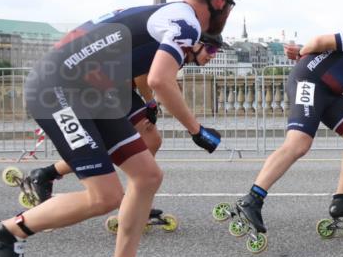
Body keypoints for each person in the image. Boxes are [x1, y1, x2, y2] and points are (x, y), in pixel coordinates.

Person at [0, 0, 241, 257]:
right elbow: (160, 80)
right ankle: (4, 233)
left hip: (93, 91)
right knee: (104, 197)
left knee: (147, 175)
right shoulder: (185, 22)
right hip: (59, 88)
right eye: (231, 5)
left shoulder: (168, 14)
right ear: (220, 1)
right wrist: (196, 130)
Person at [218, 3, 343, 249]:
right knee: (299, 144)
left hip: (329, 91)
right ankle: (252, 200)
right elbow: (321, 41)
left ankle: (341, 201)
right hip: (309, 81)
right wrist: (303, 50)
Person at [12, 33, 226, 234]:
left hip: (116, 88)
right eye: (211, 48)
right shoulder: (176, 45)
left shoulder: (181, 51)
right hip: (108, 88)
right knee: (147, 140)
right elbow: (145, 75)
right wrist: (151, 103)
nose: (213, 55)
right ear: (195, 43)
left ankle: (47, 173)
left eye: (217, 51)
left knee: (121, 144)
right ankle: (134, 202)